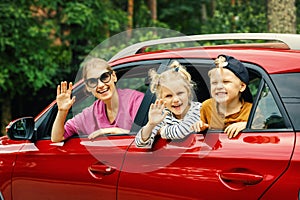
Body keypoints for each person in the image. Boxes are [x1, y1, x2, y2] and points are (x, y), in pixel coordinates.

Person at [51, 57, 144, 142]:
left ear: (114, 77)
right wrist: (62, 111)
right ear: (88, 87)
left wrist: (117, 131)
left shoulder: (136, 101)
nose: (100, 85)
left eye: (104, 77)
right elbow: (57, 138)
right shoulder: (91, 113)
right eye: (92, 82)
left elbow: (155, 130)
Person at [135, 61, 201, 148]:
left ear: (188, 92)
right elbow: (140, 143)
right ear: (161, 99)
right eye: (169, 96)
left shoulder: (199, 109)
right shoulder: (165, 115)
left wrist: (161, 131)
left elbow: (180, 132)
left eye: (180, 93)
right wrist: (151, 124)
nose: (176, 100)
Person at [191, 54, 252, 139]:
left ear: (241, 86)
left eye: (226, 82)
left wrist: (247, 125)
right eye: (214, 83)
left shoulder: (251, 110)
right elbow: (197, 133)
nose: (219, 87)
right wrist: (201, 126)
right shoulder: (207, 106)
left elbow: (262, 129)